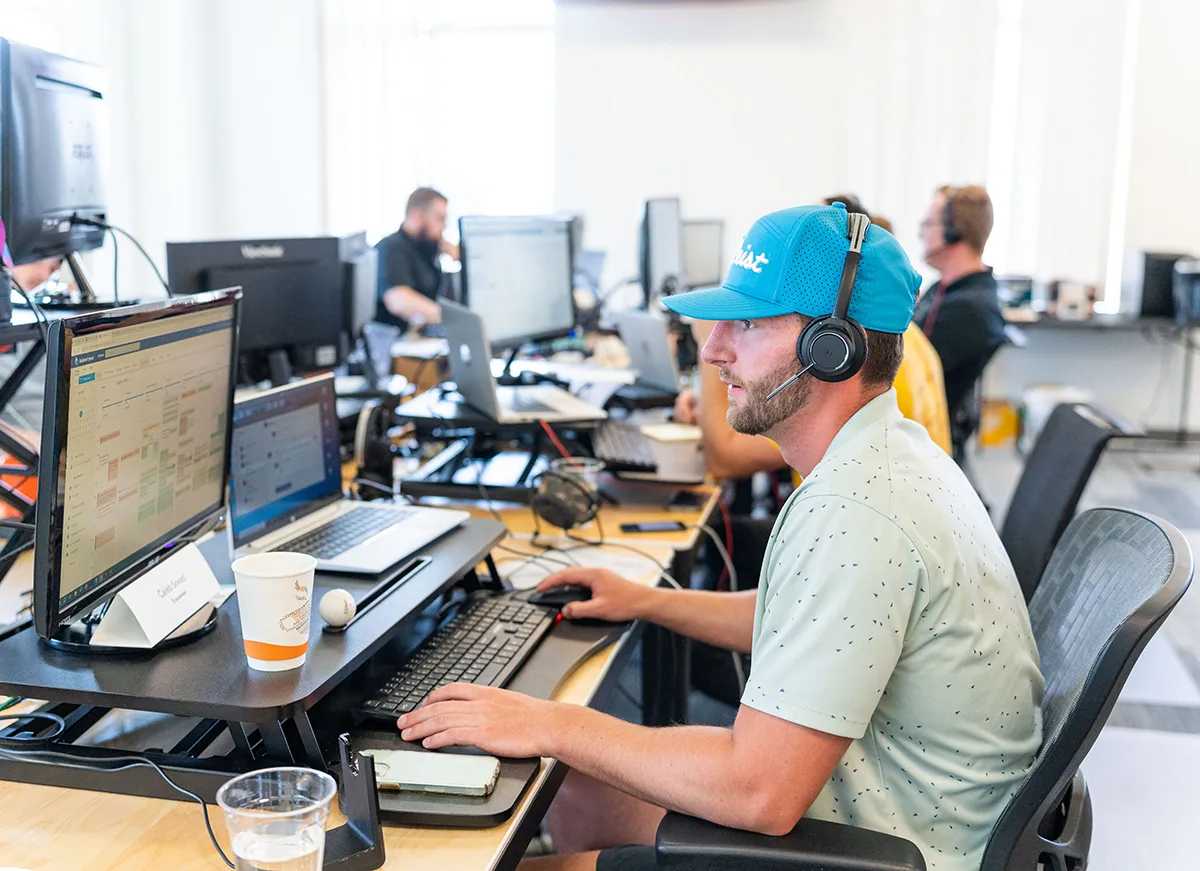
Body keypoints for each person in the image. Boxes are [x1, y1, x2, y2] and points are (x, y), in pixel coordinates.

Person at [394, 204, 1044, 871]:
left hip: (883, 850)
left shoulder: (856, 510)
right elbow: (806, 619)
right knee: (576, 772)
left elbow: (759, 792)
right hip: (885, 816)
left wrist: (550, 722)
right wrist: (647, 601)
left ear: (832, 349)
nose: (712, 350)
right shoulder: (889, 451)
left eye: (750, 324)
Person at [912, 185, 1006, 438]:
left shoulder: (967, 310)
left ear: (953, 231)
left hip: (924, 441)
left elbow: (906, 380)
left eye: (927, 224)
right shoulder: (945, 289)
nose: (921, 235)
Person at [374, 187, 460, 331]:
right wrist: (454, 320)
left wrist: (461, 257)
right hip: (398, 339)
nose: (444, 226)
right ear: (417, 216)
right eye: (440, 219)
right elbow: (398, 301)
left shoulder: (427, 247)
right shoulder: (391, 248)